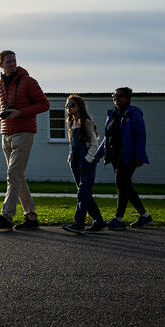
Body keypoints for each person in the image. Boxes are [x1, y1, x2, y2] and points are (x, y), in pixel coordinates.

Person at [0, 50, 49, 231]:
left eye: (14, 61)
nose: (12, 64)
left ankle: (6, 216)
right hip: (6, 132)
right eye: (8, 61)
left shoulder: (29, 81)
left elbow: (45, 104)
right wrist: (4, 116)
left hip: (24, 132)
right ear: (1, 65)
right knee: (18, 177)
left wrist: (20, 113)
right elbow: (5, 107)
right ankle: (31, 217)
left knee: (13, 175)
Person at [95, 87, 152, 229]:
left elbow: (140, 135)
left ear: (128, 98)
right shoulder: (113, 114)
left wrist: (138, 156)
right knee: (125, 186)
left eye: (120, 95)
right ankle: (145, 217)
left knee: (122, 185)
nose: (116, 98)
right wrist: (99, 153)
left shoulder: (134, 114)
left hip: (128, 156)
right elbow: (108, 138)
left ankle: (119, 219)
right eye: (114, 95)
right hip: (114, 155)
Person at [61, 95, 106, 234]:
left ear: (79, 106)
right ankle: (99, 221)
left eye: (72, 105)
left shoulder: (86, 122)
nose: (69, 108)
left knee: (83, 193)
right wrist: (70, 157)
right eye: (67, 105)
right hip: (74, 161)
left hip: (86, 162)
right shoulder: (70, 123)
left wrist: (88, 158)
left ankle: (78, 223)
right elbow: (72, 144)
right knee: (84, 193)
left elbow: (94, 143)